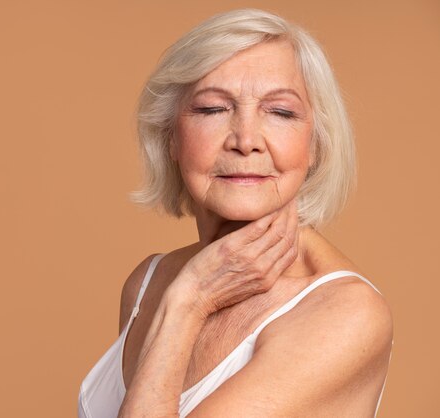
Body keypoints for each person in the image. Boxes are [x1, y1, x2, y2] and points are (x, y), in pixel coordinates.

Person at [78, 8, 393, 418]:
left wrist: (189, 301)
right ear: (170, 136)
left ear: (315, 144)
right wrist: (185, 294)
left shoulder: (346, 313)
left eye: (280, 112)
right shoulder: (147, 283)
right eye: (212, 109)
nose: (246, 141)